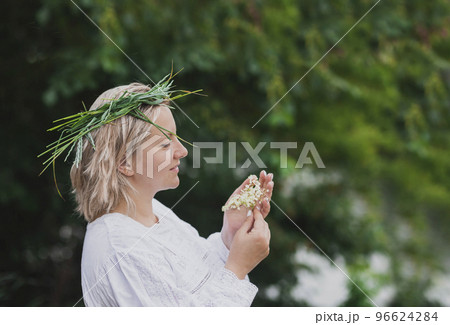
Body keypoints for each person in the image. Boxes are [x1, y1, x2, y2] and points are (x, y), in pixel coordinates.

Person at [70, 82, 274, 306]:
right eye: (166, 144)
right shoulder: (122, 248)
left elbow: (197, 285)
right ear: (125, 163)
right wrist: (237, 269)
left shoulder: (154, 211)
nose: (182, 151)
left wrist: (230, 237)